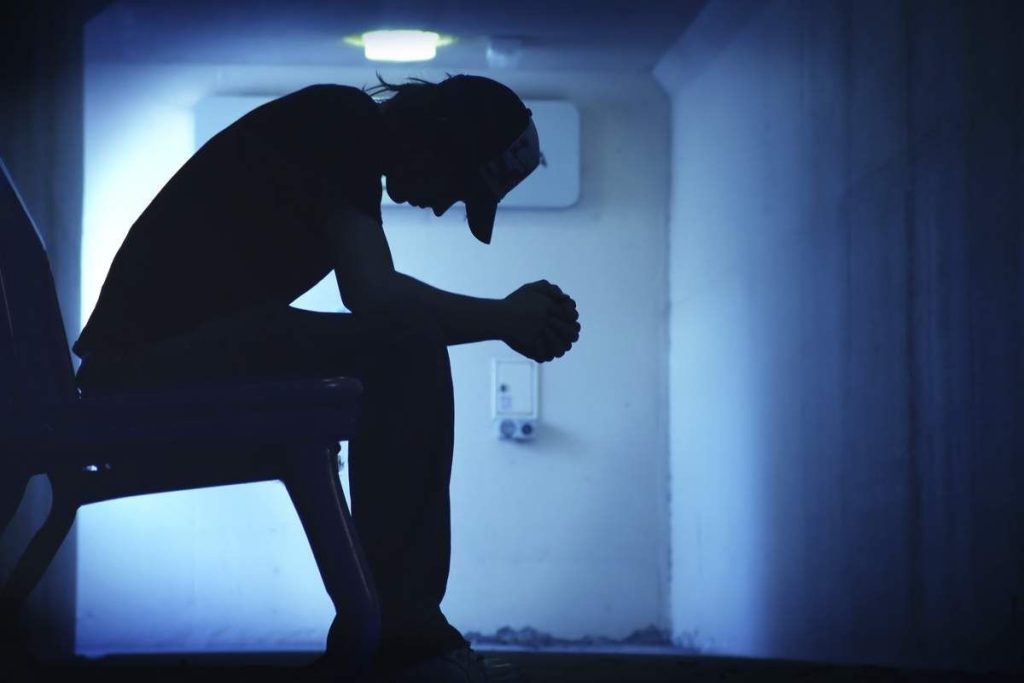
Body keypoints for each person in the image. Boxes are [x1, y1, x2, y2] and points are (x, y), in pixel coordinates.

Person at [73, 74, 581, 682]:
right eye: (459, 187)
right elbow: (374, 295)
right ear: (441, 141)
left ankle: (394, 632)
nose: (444, 206)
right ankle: (405, 641)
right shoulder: (342, 120)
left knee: (399, 344)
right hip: (139, 372)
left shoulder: (342, 131)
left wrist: (505, 321)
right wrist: (505, 319)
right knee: (404, 346)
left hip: (146, 365)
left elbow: (372, 301)